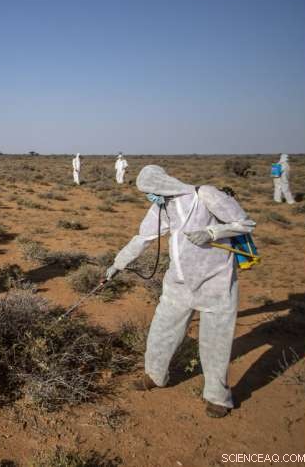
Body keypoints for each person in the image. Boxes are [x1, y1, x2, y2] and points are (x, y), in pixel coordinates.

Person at [104, 165, 256, 418]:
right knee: (161, 332)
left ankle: (218, 398)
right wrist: (117, 264)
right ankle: (154, 376)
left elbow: (245, 223)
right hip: (178, 283)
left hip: (216, 283)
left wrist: (212, 232)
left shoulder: (205, 195)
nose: (149, 196)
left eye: (150, 191)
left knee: (215, 344)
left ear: (162, 184)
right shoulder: (161, 208)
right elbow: (142, 238)